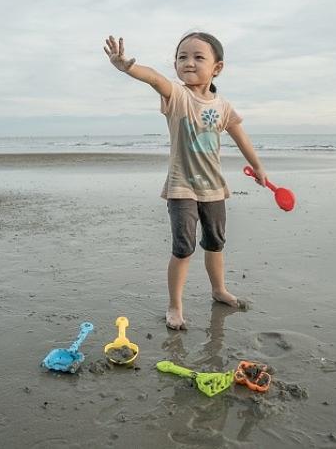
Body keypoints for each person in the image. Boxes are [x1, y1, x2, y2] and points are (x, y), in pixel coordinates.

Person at [103, 32, 268, 330]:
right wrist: (127, 67)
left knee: (215, 243)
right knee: (183, 247)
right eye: (182, 57)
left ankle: (218, 290)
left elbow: (241, 137)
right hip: (182, 187)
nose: (188, 63)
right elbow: (154, 78)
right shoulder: (177, 96)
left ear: (217, 67)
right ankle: (175, 306)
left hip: (214, 187)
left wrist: (257, 167)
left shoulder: (224, 107)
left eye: (198, 57)